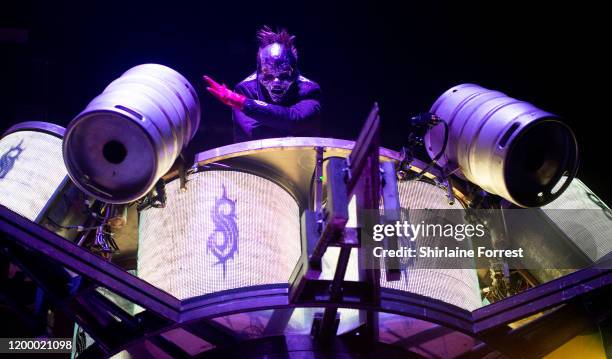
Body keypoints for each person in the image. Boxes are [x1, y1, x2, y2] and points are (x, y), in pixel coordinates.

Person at [204, 26, 322, 142]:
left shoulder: (309, 89)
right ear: (258, 71)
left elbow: (295, 121)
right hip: (256, 160)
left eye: (284, 75)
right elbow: (255, 136)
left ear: (295, 72)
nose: (276, 83)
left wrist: (244, 103)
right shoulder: (245, 89)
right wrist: (289, 128)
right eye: (268, 76)